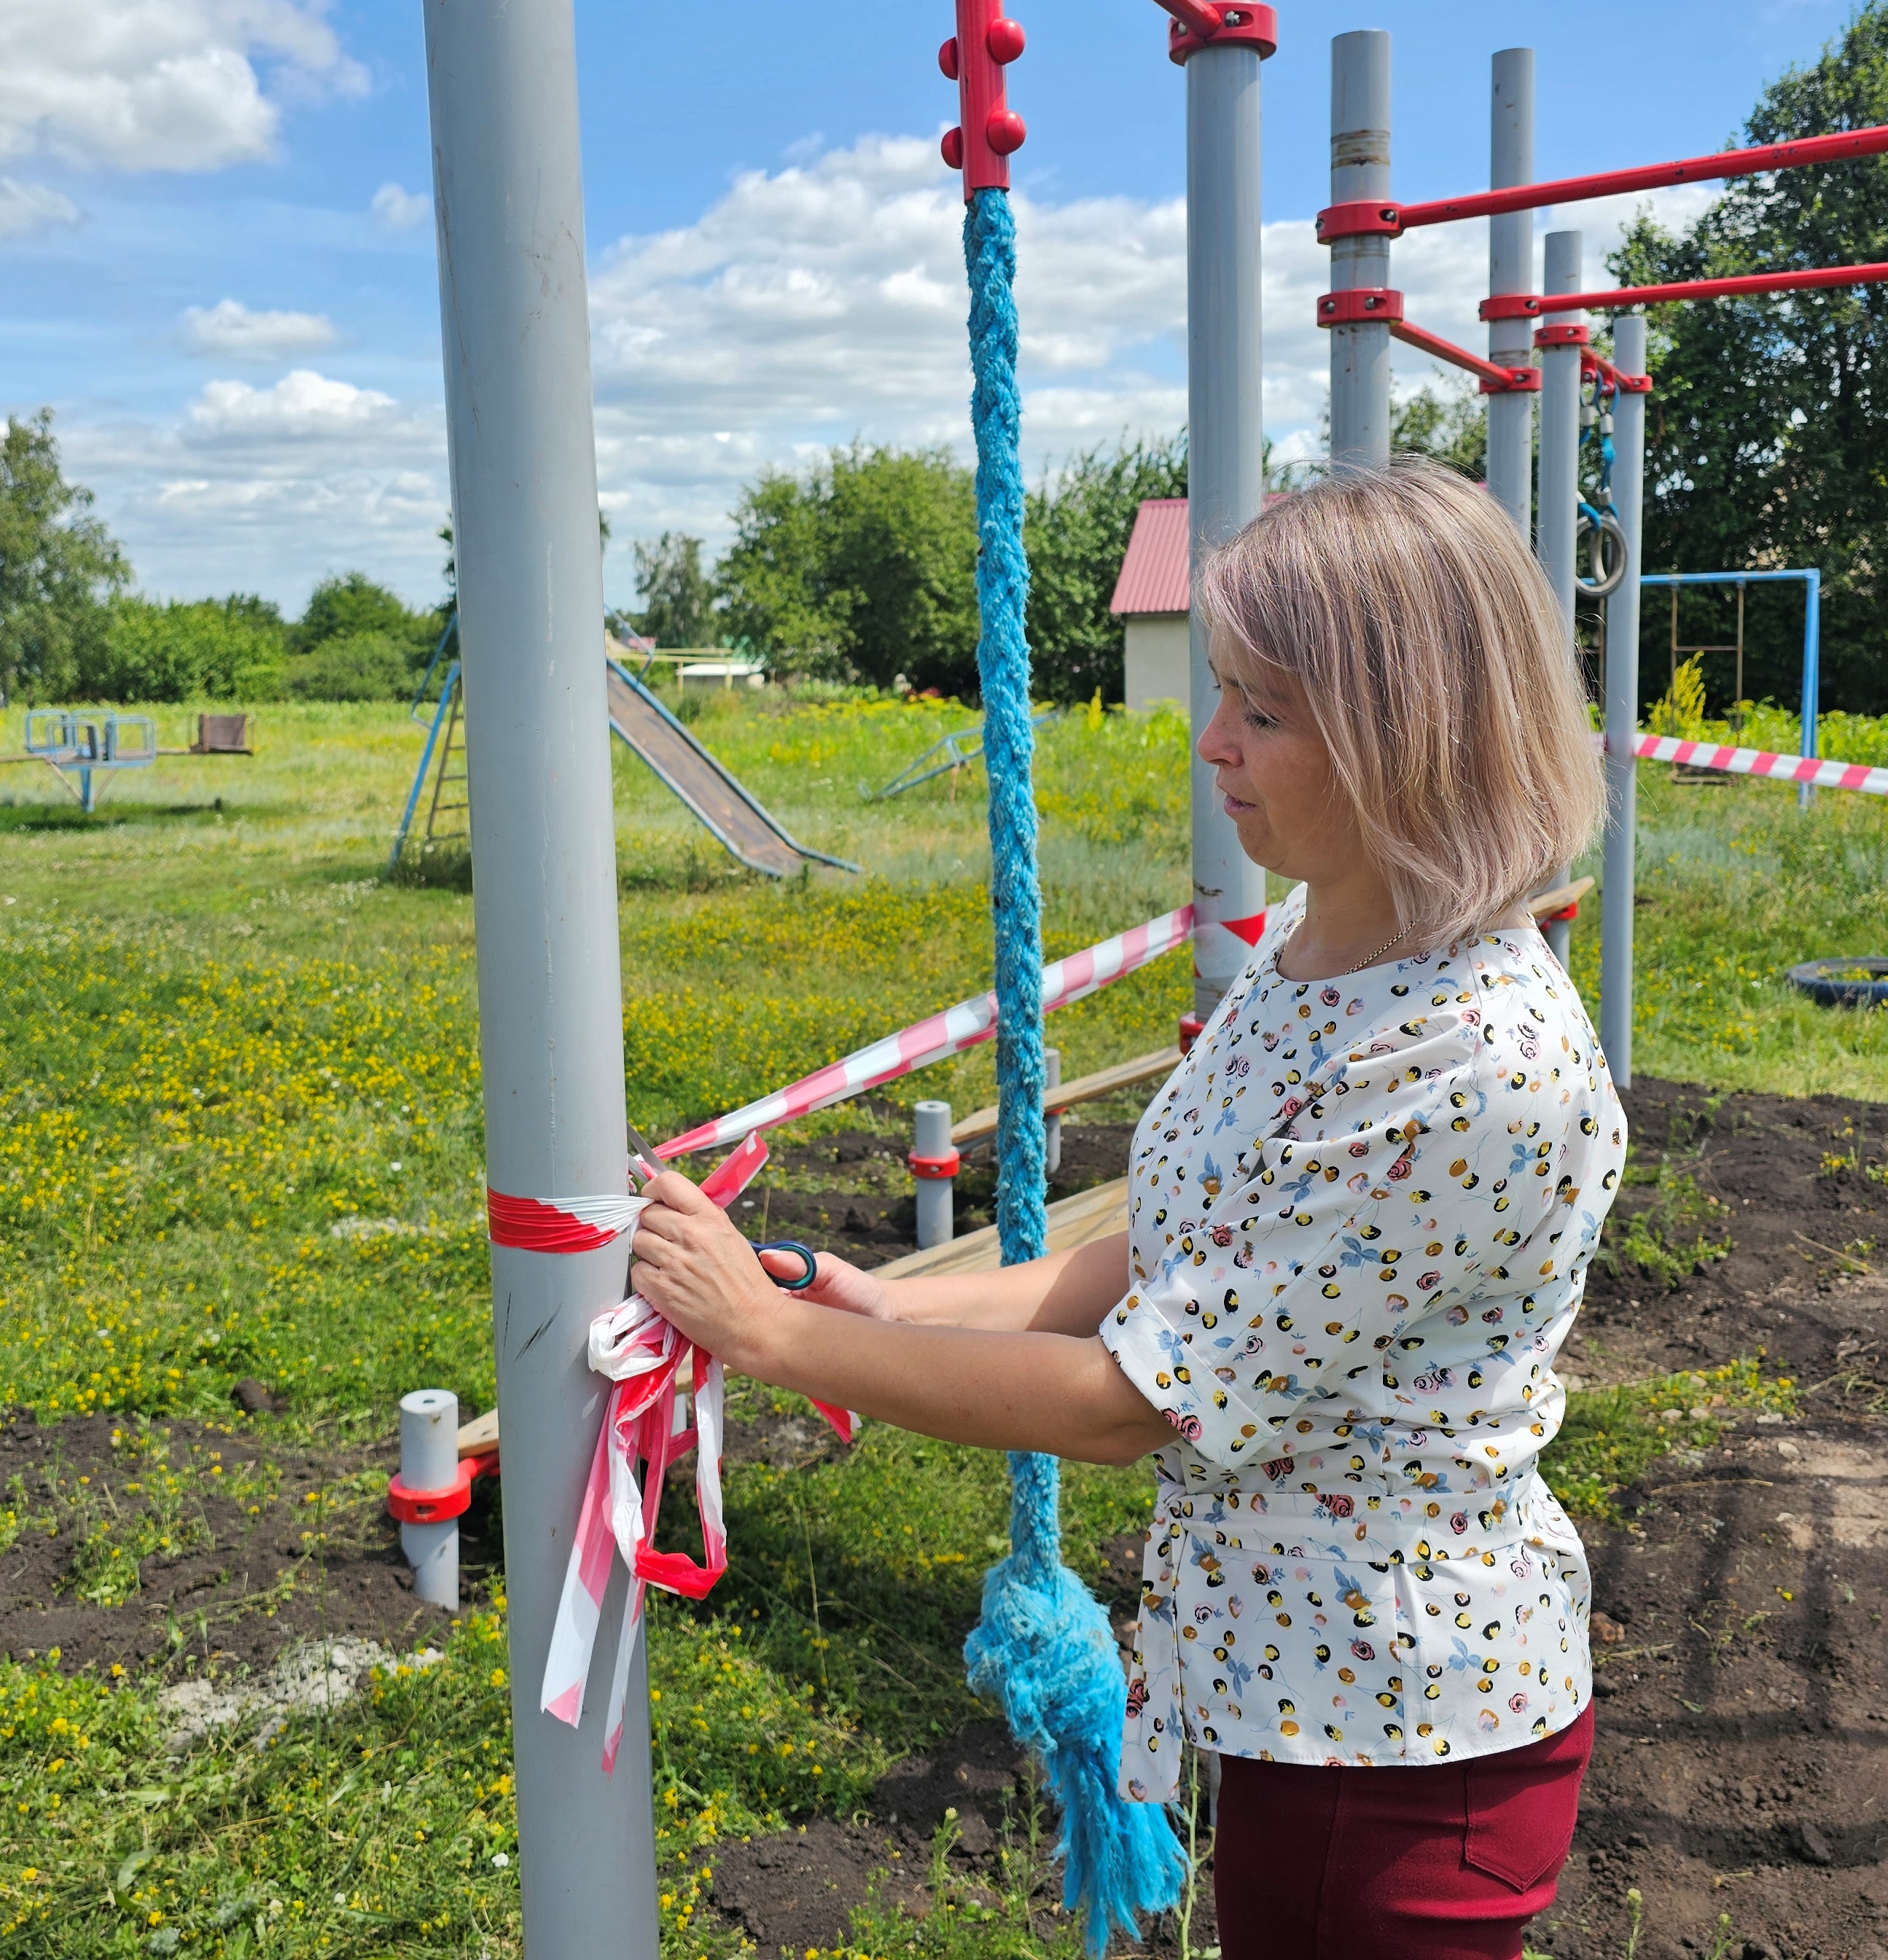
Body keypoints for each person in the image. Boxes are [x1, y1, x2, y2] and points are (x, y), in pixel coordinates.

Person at [630, 458, 1626, 1960]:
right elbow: (1167, 1259)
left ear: (1410, 735)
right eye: (1224, 692)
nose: (1212, 742)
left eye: (1266, 711)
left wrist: (770, 1334)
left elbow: (1123, 1401)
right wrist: (898, 1306)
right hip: (1309, 1690)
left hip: (1404, 1733)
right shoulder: (1324, 945)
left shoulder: (1468, 1063)